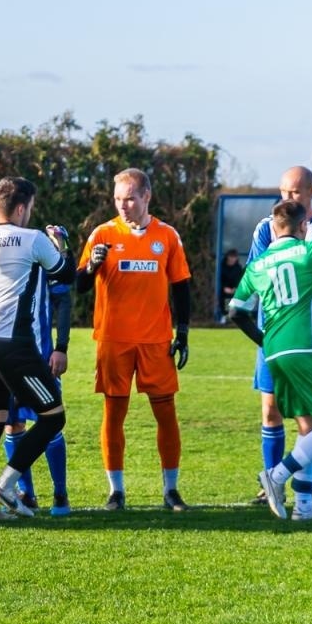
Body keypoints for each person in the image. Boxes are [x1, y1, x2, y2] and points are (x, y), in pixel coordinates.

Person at [0, 177, 77, 521]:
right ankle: (6, 485)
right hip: (12, 347)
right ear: (21, 208)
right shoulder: (33, 239)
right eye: (30, 208)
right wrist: (62, 244)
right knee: (53, 417)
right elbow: (66, 274)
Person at [76, 168, 193, 511]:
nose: (123, 205)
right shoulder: (102, 234)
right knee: (114, 415)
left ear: (146, 197)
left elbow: (182, 286)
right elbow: (79, 284)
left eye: (129, 198)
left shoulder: (167, 236)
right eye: (117, 199)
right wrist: (91, 267)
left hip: (156, 340)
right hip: (114, 340)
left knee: (166, 414)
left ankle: (171, 490)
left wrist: (182, 333)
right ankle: (116, 491)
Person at [229, 200, 312, 521]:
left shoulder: (257, 265)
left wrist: (264, 341)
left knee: (309, 426)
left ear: (272, 228)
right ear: (303, 226)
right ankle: (277, 474)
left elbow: (235, 311)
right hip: (308, 349)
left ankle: (304, 507)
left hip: (275, 353)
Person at [5, 249, 73, 515]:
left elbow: (63, 299)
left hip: (41, 358)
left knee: (50, 423)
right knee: (12, 425)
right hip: (6, 357)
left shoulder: (40, 254)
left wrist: (61, 347)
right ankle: (26, 494)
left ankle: (60, 493)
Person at [218, 249, 244, 324]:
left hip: (235, 290)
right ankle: (225, 316)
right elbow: (220, 279)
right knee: (225, 297)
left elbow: (240, 280)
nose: (232, 259)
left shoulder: (238, 268)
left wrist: (236, 289)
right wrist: (224, 288)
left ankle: (232, 317)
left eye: (234, 257)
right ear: (227, 257)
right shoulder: (222, 267)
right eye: (231, 257)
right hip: (224, 290)